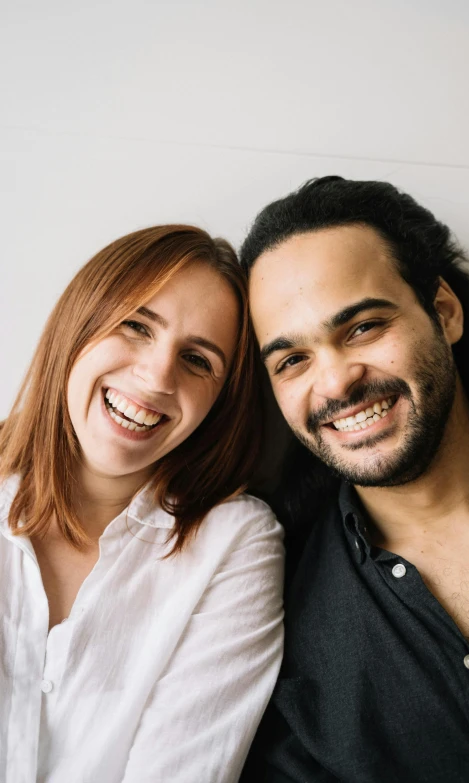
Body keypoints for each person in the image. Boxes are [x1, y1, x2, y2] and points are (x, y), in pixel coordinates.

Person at [239, 177, 469, 782]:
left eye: (363, 327)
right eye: (292, 360)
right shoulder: (271, 617)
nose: (336, 383)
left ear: (443, 311)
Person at [0, 225, 284, 783]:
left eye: (199, 360)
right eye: (136, 326)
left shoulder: (233, 544)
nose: (156, 377)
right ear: (78, 322)